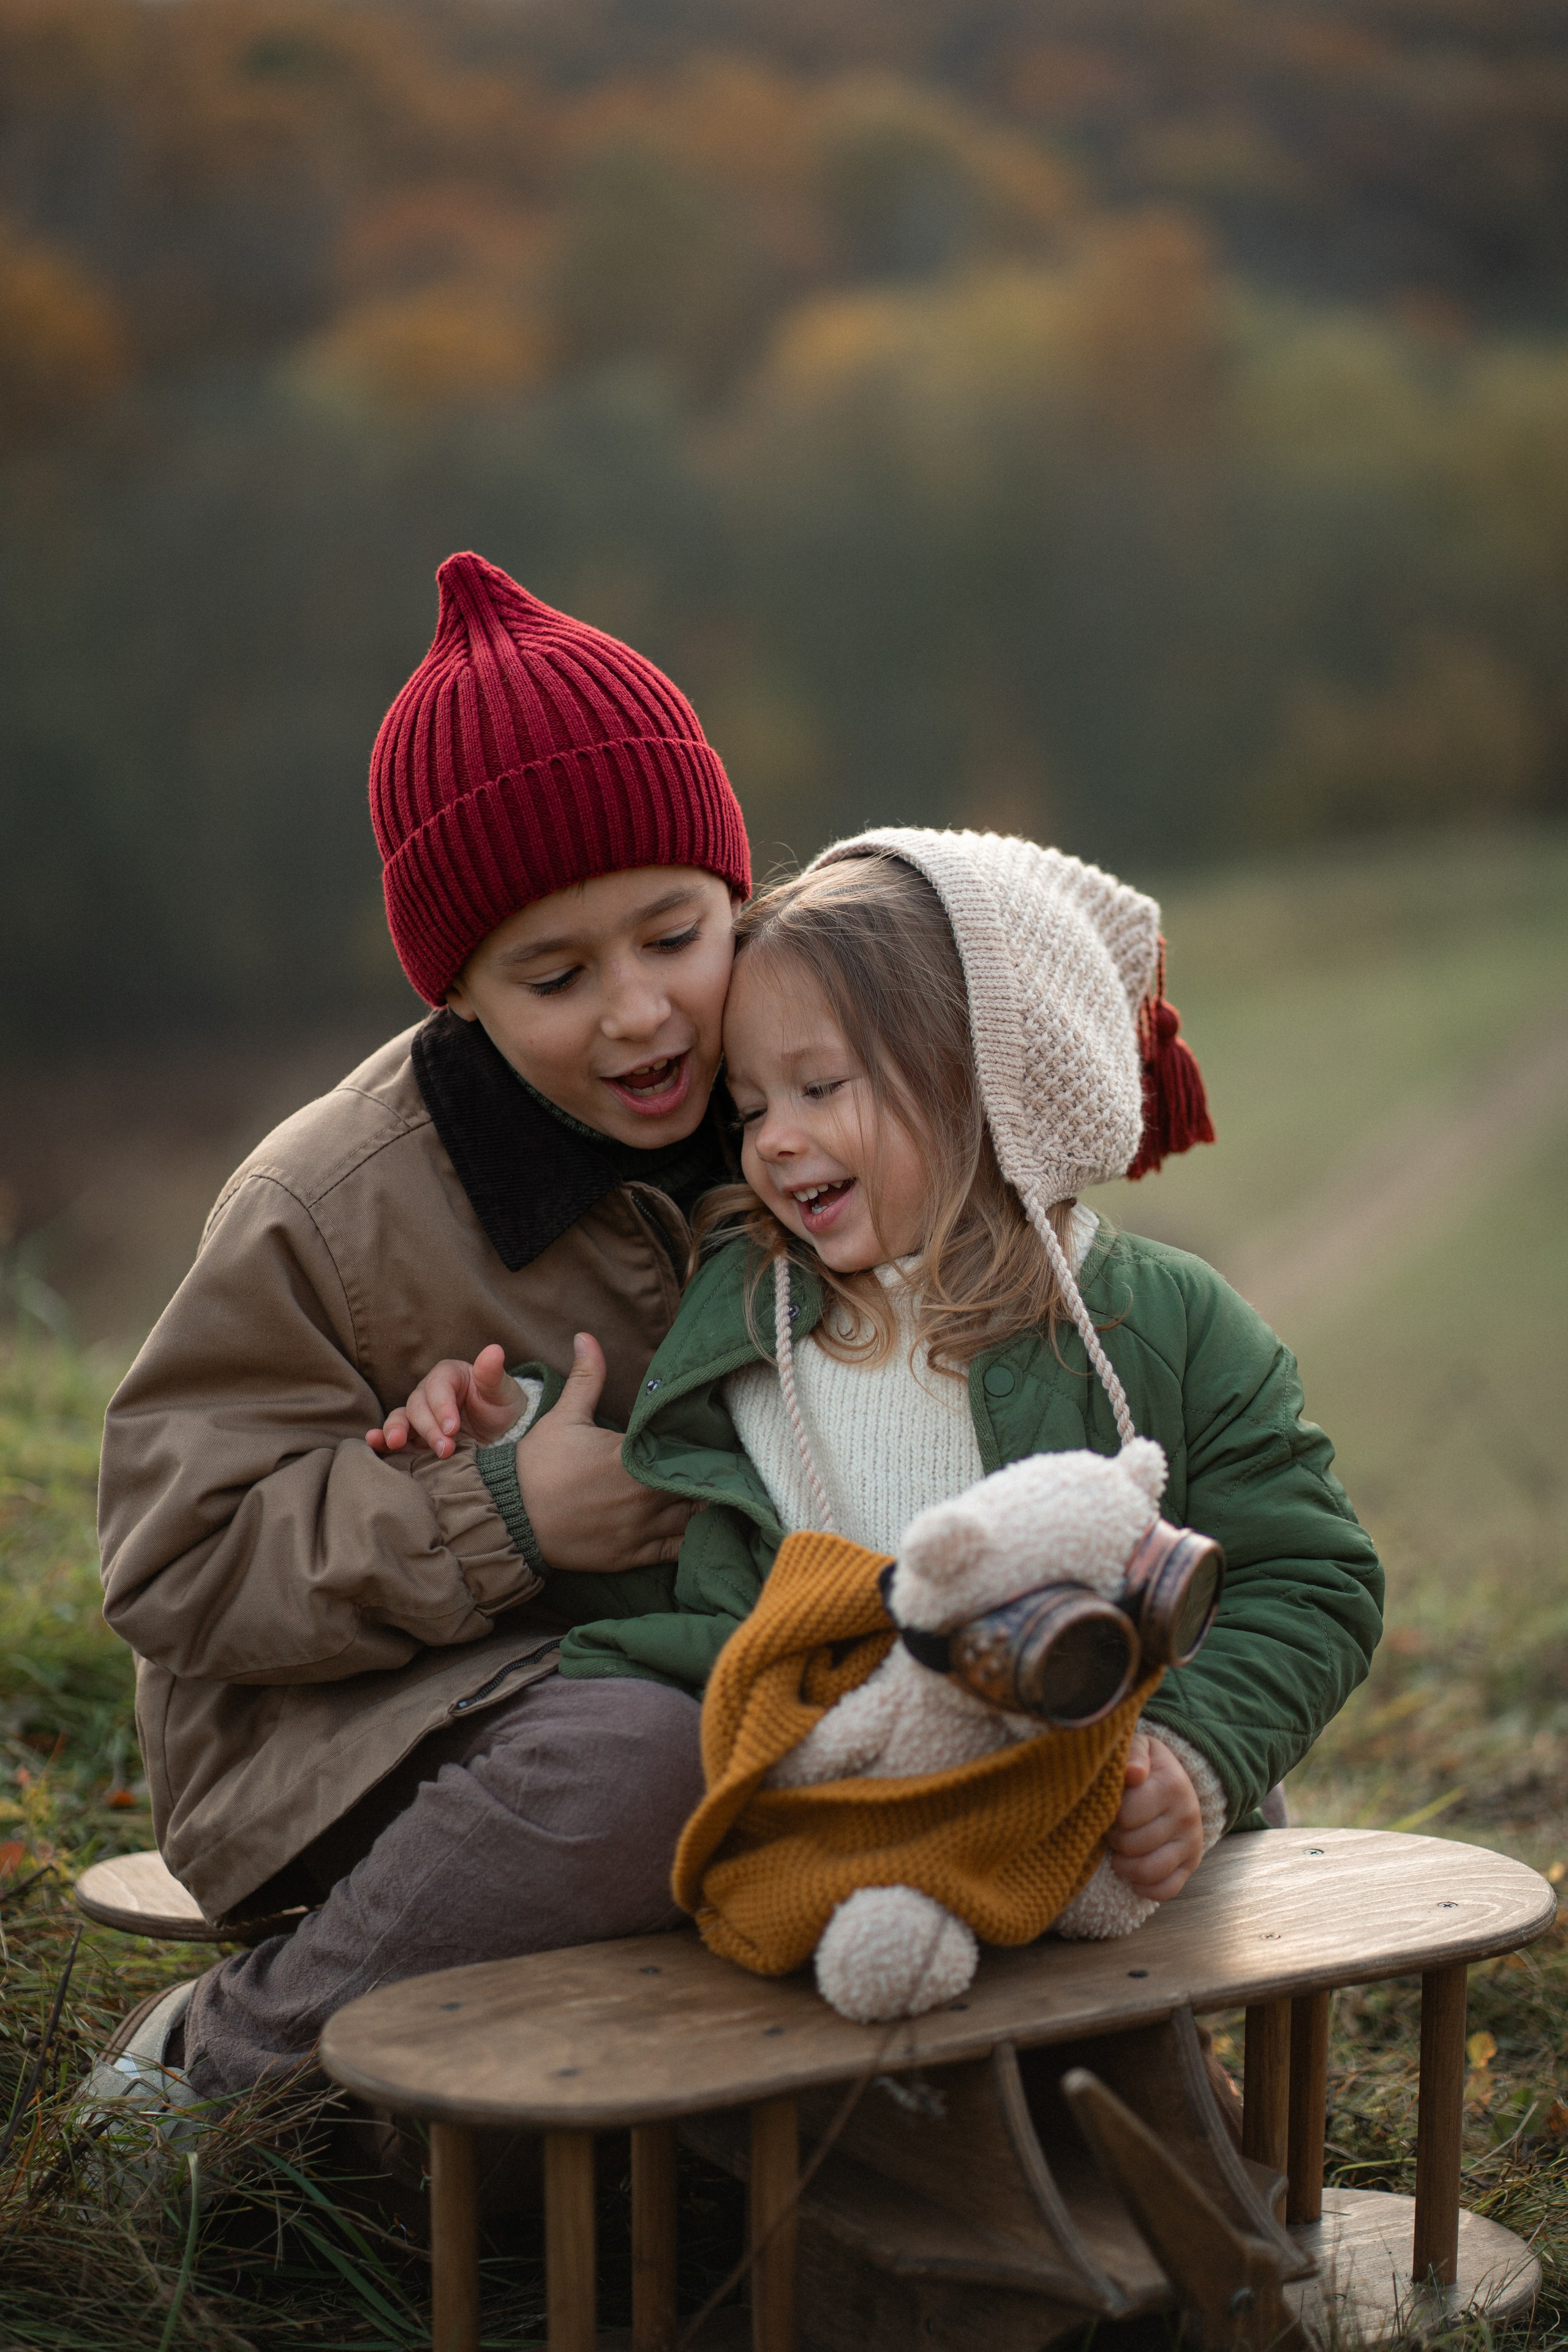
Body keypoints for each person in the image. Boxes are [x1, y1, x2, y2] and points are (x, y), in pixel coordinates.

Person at [391, 834, 1383, 1916]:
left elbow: (1310, 1578)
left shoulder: (1156, 1320)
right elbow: (688, 1585)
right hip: (853, 1844)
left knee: (1117, 2051)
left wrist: (1195, 1756)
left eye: (819, 1087)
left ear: (974, 1076)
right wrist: (510, 1440)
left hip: (1103, 1832)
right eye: (753, 1107)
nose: (772, 1142)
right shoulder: (743, 1327)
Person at [87, 550, 751, 2136]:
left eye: (674, 934)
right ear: (455, 989)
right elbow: (176, 1564)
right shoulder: (329, 1205)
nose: (643, 1014)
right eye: (556, 976)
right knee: (642, 1760)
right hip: (358, 1734)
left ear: (739, 893)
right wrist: (503, 1509)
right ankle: (217, 2080)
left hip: (716, 1658)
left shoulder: (810, 1085)